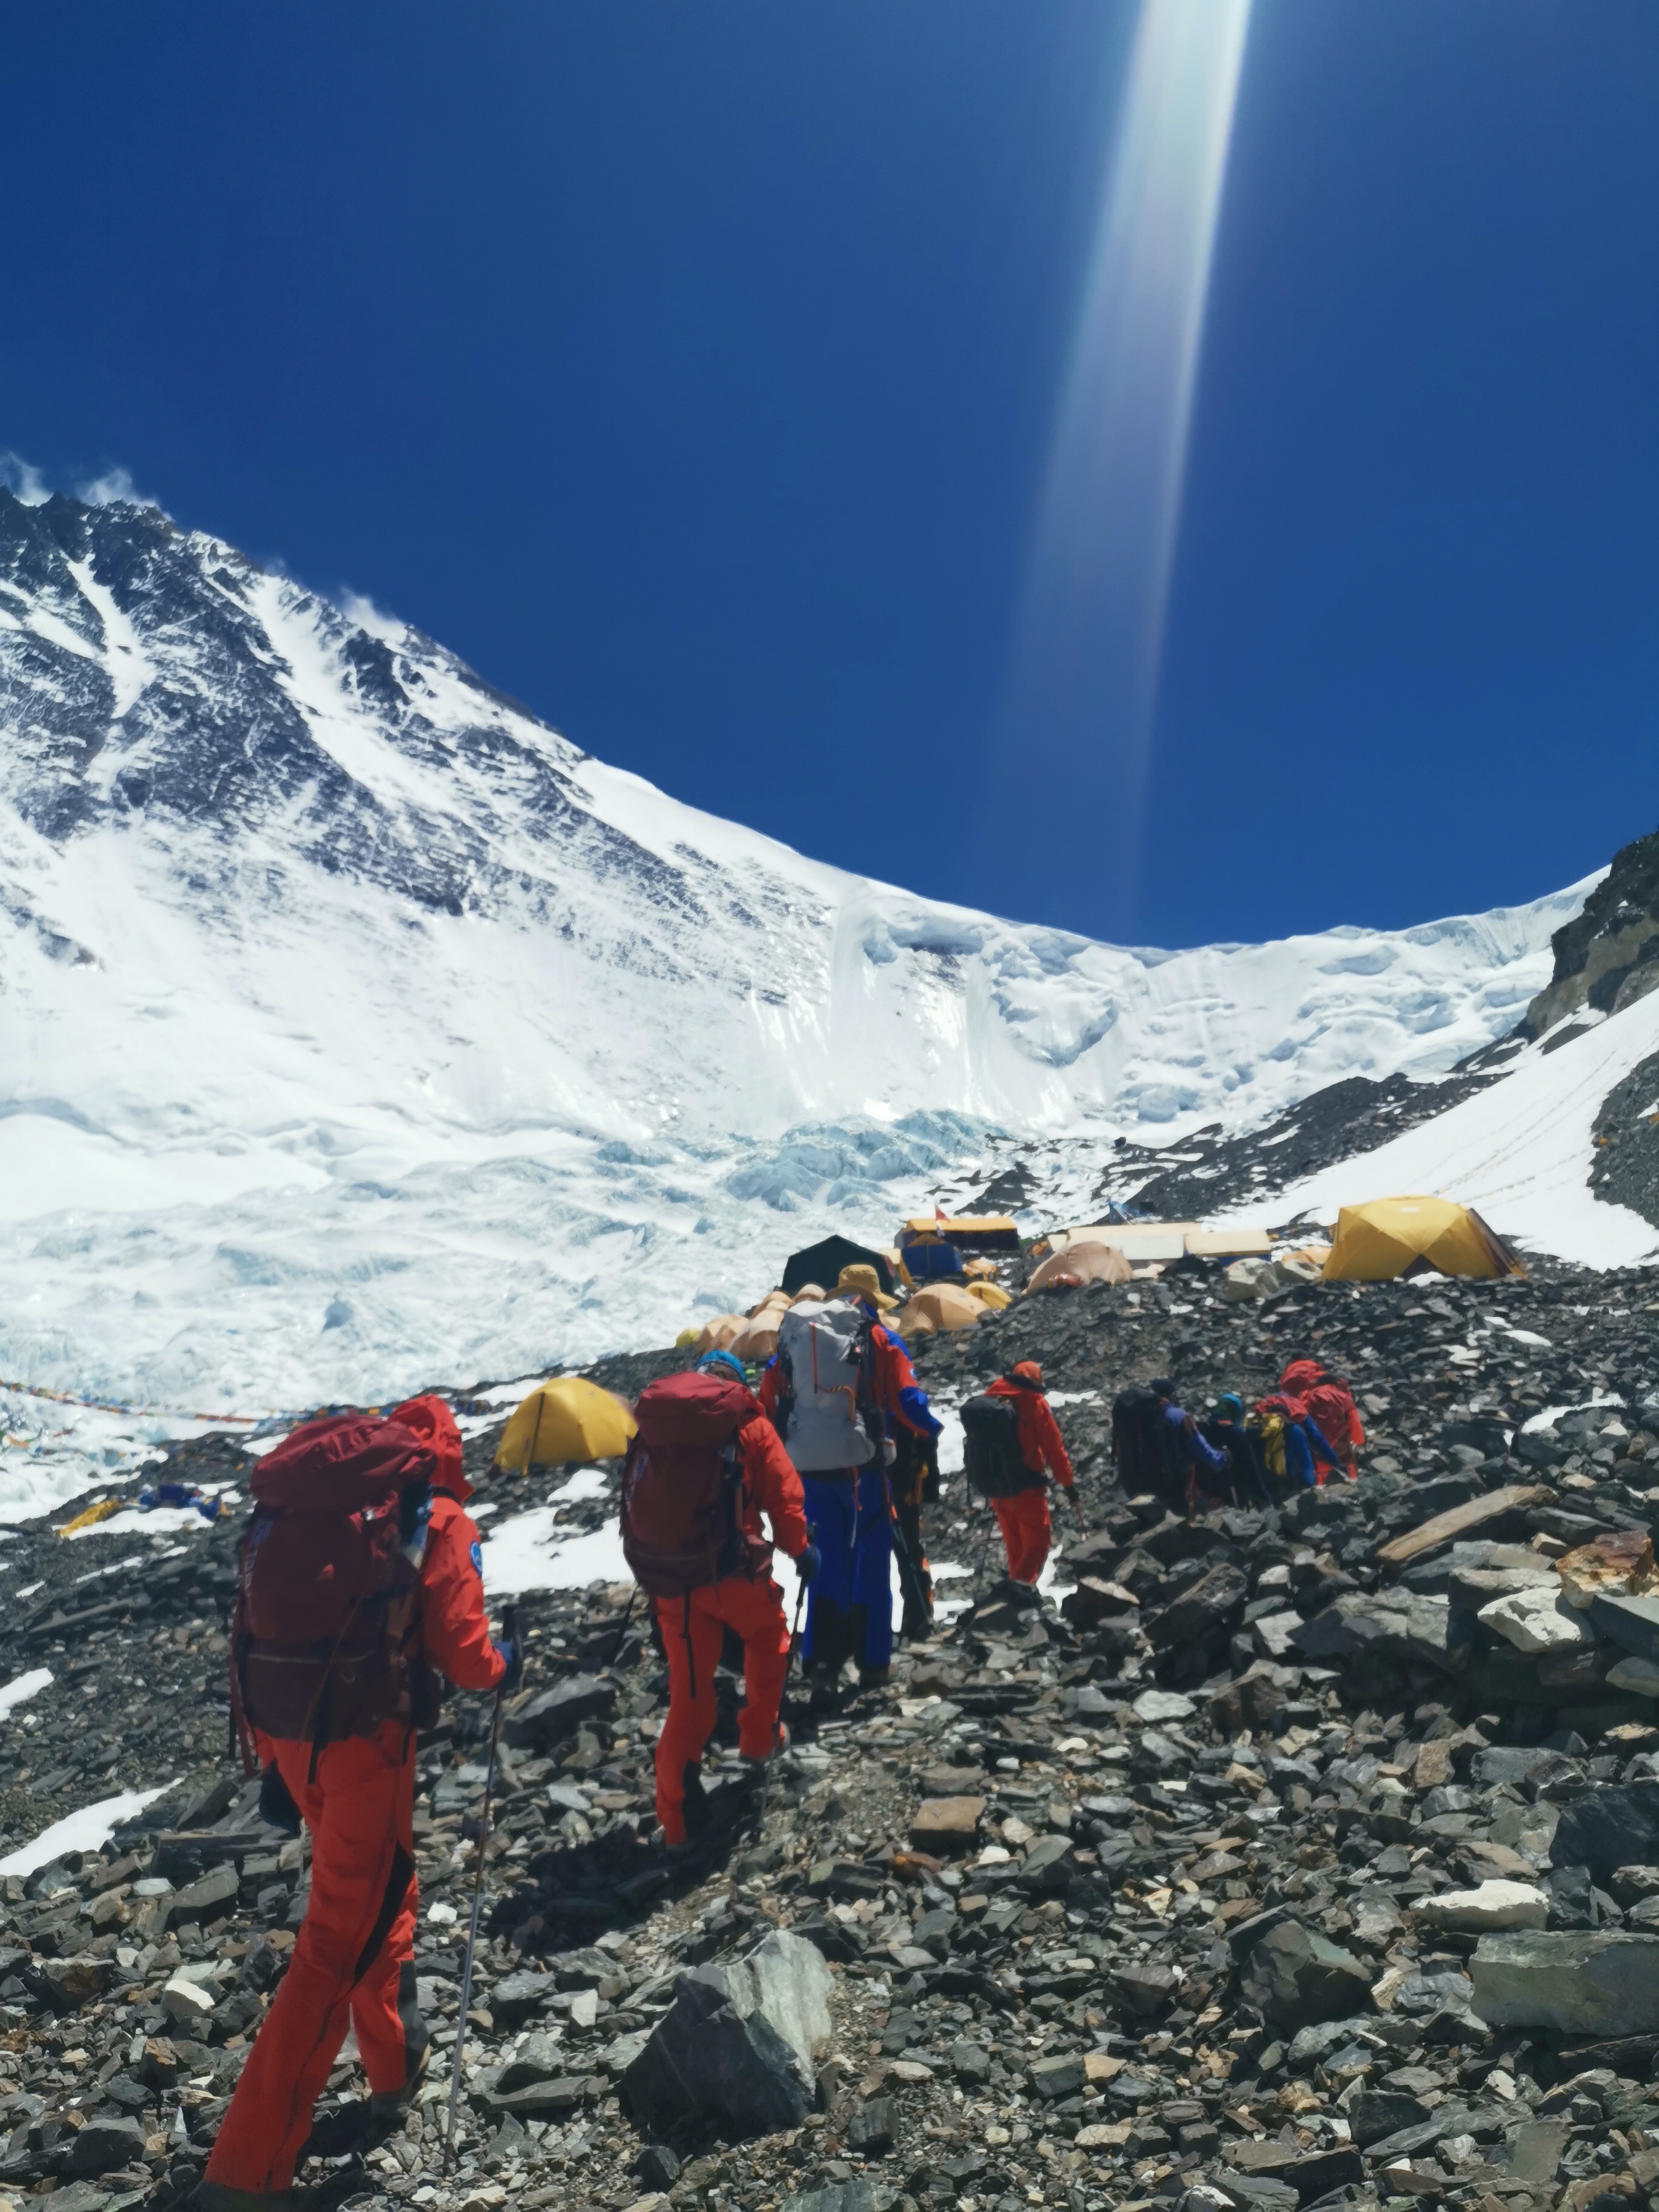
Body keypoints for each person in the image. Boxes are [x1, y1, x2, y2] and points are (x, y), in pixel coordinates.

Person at [203, 1397, 512, 2212]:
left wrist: (270, 1754)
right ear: (445, 1452)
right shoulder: (431, 1515)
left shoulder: (316, 1511)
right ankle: (246, 2169)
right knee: (338, 1942)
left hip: (297, 1736)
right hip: (368, 1748)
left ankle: (391, 2071)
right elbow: (467, 1654)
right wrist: (503, 1661)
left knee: (379, 1900)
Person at [634, 1349, 819, 1849]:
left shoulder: (658, 1426)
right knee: (768, 1639)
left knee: (689, 1694)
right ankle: (758, 1744)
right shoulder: (748, 1424)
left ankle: (676, 1821)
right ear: (736, 1385)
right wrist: (801, 1550)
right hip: (734, 1573)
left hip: (675, 1584)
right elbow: (784, 1498)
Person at [760, 1265, 940, 1698]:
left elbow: (769, 1399)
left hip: (808, 1471)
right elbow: (908, 1400)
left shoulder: (801, 1337)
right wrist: (931, 1429)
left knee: (825, 1563)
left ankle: (823, 1664)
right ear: (873, 1301)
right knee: (871, 1564)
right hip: (864, 1473)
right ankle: (873, 1664)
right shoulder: (879, 1338)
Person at [982, 1361, 1076, 1584]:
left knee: (1015, 1546)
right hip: (1027, 1487)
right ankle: (1017, 1590)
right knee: (1037, 1544)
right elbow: (1054, 1449)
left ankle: (1016, 1599)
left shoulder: (992, 1399)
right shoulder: (1035, 1403)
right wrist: (1068, 1484)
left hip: (998, 1488)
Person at [1149, 1376, 1232, 1515]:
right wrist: (1223, 1459)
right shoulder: (1178, 1416)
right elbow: (1202, 1451)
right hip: (1179, 1485)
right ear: (1170, 1395)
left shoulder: (1144, 1418)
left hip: (1149, 1486)